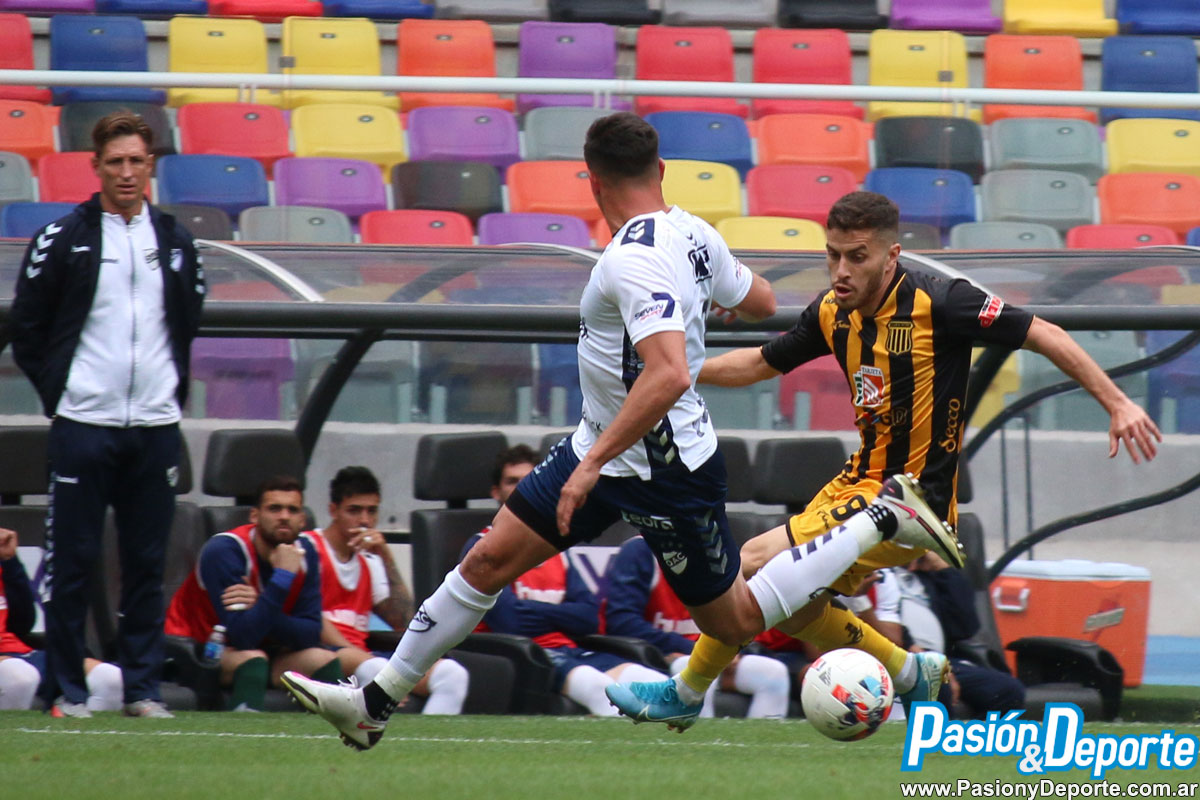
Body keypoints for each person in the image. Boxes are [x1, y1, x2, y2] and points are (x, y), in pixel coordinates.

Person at [282, 111, 956, 750]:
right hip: (602, 448)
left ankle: (883, 520)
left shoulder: (632, 260)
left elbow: (667, 375)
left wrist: (590, 463)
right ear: (660, 170)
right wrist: (693, 304)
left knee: (737, 620)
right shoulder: (692, 233)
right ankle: (375, 703)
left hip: (666, 466)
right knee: (486, 562)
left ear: (592, 179)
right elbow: (760, 301)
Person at [608, 190, 1162, 730]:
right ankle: (907, 670)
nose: (841, 271)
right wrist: (677, 370)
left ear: (891, 255)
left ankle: (685, 693)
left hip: (909, 503)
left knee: (752, 561)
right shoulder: (832, 312)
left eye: (857, 256)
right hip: (855, 484)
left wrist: (1117, 403)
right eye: (833, 255)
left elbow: (1044, 333)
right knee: (797, 610)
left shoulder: (941, 302)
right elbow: (759, 364)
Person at [8, 110, 206, 718]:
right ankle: (68, 689)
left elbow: (187, 322)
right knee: (72, 563)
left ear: (151, 167)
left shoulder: (175, 241)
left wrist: (166, 394)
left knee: (146, 565)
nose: (126, 172)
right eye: (115, 162)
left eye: (136, 161)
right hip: (83, 425)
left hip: (154, 428)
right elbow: (28, 327)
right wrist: (64, 393)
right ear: (95, 167)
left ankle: (142, 690)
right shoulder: (62, 238)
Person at [463, 445, 668, 716]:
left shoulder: (557, 551)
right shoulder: (481, 550)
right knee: (601, 690)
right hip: (521, 657)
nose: (520, 487)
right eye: (512, 481)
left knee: (660, 687)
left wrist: (533, 611)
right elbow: (509, 621)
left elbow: (588, 617)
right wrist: (562, 614)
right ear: (495, 492)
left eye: (528, 479)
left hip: (570, 651)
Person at [165, 476, 343, 711]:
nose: (284, 517)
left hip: (266, 646)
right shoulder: (224, 551)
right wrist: (282, 578)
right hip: (196, 648)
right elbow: (242, 636)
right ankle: (241, 730)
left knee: (324, 660)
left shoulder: (306, 553)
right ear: (254, 516)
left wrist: (260, 602)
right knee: (253, 660)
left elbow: (310, 633)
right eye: (274, 509)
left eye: (292, 510)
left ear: (302, 520)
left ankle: (328, 732)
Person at [303, 467, 468, 714]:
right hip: (323, 653)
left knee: (452, 674)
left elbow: (404, 622)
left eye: (371, 511)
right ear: (333, 510)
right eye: (354, 510)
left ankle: (424, 739)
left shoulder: (370, 557)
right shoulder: (308, 548)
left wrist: (386, 556)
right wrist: (359, 655)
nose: (364, 520)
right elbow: (308, 617)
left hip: (364, 657)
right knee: (377, 670)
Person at [604, 534, 790, 719]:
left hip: (714, 654)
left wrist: (732, 652)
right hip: (662, 656)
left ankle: (757, 740)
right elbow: (622, 622)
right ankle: (697, 738)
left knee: (773, 674)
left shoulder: (716, 548)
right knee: (696, 673)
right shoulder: (641, 551)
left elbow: (738, 615)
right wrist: (691, 649)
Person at [850, 553, 1025, 719]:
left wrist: (943, 569)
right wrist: (932, 663)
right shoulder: (876, 576)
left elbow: (965, 626)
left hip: (943, 659)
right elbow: (886, 633)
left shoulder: (925, 576)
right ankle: (936, 737)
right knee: (935, 681)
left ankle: (970, 738)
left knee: (1008, 690)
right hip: (897, 659)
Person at [0, 528, 124, 714]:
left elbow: (22, 623)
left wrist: (10, 562)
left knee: (112, 680)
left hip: (18, 652)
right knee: (19, 678)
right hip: (12, 665)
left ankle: (78, 732)